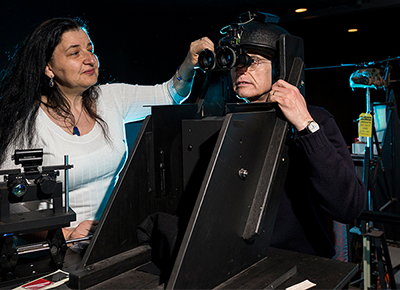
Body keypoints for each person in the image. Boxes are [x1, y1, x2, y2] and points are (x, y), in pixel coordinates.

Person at [0, 17, 214, 241]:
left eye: (90, 49)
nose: (89, 59)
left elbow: (169, 94)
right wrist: (66, 234)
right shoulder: (25, 123)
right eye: (75, 53)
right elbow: (10, 207)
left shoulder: (111, 98)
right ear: (48, 68)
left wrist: (190, 63)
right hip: (55, 250)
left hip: (111, 238)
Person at [223, 15, 365, 259]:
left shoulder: (316, 120)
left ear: (279, 67)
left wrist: (304, 125)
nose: (242, 70)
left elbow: (349, 206)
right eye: (237, 62)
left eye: (254, 61)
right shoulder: (228, 122)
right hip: (240, 259)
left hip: (300, 260)